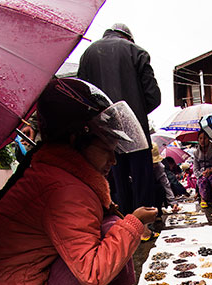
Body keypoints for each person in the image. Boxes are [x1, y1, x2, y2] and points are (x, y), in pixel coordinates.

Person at [0, 78, 158, 285]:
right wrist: (135, 223)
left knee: (108, 223)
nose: (113, 160)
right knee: (114, 228)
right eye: (106, 149)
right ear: (76, 140)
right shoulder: (65, 189)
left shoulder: (59, 172)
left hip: (21, 281)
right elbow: (93, 271)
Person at [78, 23, 161, 240]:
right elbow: (153, 97)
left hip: (103, 131)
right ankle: (143, 229)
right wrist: (135, 114)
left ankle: (124, 230)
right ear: (128, 37)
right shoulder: (137, 52)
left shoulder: (88, 54)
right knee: (142, 178)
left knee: (116, 178)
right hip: (135, 130)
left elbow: (82, 95)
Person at [193, 130, 212, 208]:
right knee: (203, 180)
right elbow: (195, 169)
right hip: (202, 173)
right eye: (200, 138)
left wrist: (211, 170)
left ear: (209, 139)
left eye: (205, 138)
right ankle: (203, 199)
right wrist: (202, 174)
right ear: (198, 140)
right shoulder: (196, 153)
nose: (203, 140)